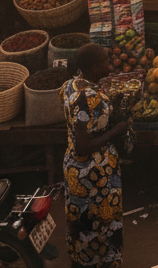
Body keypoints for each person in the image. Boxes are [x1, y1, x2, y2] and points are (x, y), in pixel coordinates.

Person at [61, 44, 131, 268]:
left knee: (82, 224)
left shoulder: (69, 86)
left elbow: (77, 125)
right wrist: (115, 130)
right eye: (105, 62)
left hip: (74, 170)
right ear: (94, 67)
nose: (109, 66)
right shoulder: (89, 97)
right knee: (102, 225)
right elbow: (83, 145)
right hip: (93, 174)